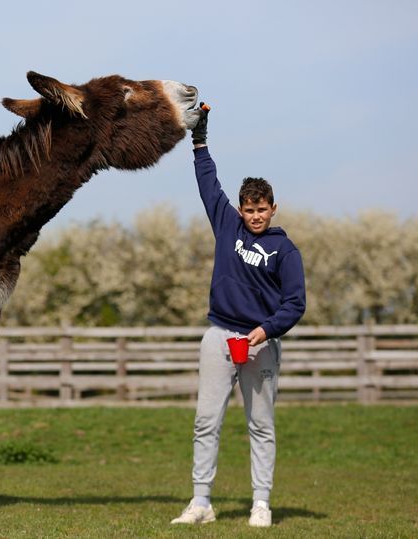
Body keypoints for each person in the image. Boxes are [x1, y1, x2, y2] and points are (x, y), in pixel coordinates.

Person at [171, 104, 306, 528]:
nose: (255, 215)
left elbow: (295, 303)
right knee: (205, 421)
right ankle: (201, 503)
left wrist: (266, 332)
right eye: (249, 209)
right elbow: (208, 184)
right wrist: (200, 141)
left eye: (261, 209)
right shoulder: (228, 226)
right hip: (219, 338)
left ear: (273, 208)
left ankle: (260, 504)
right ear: (242, 209)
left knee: (260, 425)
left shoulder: (286, 252)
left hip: (260, 343)